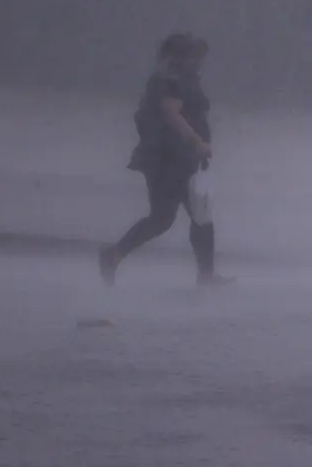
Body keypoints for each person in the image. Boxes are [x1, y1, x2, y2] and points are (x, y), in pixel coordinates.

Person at [99, 32, 232, 286]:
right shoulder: (175, 80)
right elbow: (171, 113)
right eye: (197, 56)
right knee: (195, 216)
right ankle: (206, 276)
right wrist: (197, 142)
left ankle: (114, 255)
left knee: (168, 218)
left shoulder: (172, 78)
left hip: (172, 158)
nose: (201, 62)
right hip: (172, 159)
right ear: (184, 56)